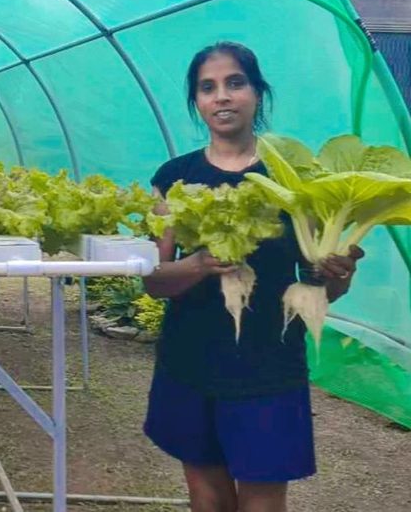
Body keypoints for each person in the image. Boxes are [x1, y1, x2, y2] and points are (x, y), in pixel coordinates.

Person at [142, 41, 363, 512]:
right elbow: (153, 280)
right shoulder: (174, 177)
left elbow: (321, 289)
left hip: (269, 365)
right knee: (207, 496)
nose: (222, 96)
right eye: (208, 88)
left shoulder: (296, 181)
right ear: (197, 102)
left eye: (235, 83)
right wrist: (200, 264)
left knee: (262, 501)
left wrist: (338, 276)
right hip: (190, 360)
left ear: (257, 93)